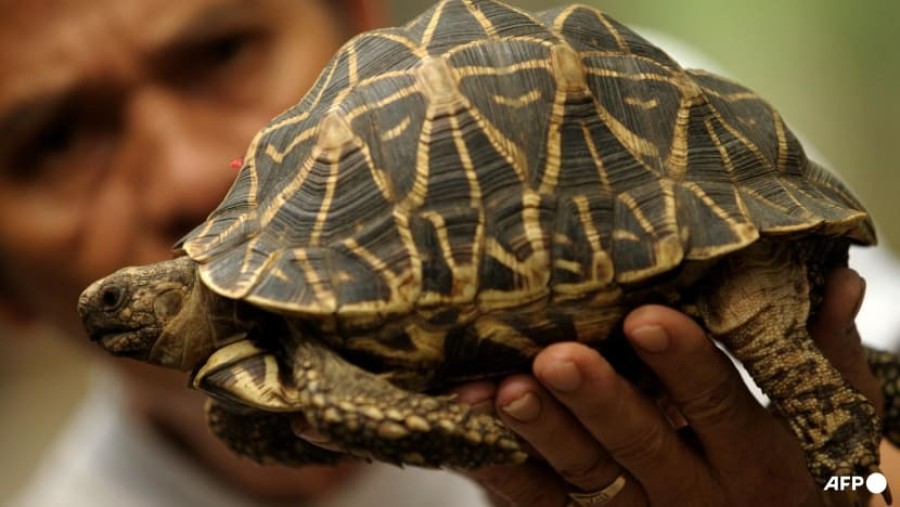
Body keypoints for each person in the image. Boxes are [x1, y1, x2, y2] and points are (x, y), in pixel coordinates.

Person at [0, 0, 895, 506]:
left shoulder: (563, 75)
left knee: (830, 405)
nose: (188, 177)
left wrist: (864, 486)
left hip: (732, 274)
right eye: (54, 143)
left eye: (223, 51)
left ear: (359, 17)